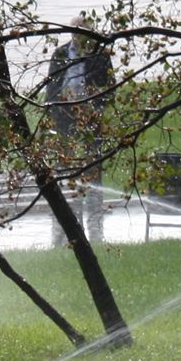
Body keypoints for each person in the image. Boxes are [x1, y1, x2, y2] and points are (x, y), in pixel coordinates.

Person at [43, 33, 114, 245]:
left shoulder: (100, 55)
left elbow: (110, 87)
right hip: (64, 119)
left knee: (93, 174)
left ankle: (96, 230)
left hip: (91, 119)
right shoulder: (61, 53)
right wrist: (53, 114)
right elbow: (52, 87)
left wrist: (95, 107)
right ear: (73, 34)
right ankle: (68, 228)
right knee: (65, 173)